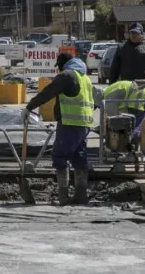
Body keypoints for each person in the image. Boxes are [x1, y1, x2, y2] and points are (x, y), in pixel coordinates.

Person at [23, 52, 96, 205]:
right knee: (79, 158)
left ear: (63, 64)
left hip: (70, 122)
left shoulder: (67, 75)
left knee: (60, 156)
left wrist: (29, 107)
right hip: (85, 124)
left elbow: (48, 92)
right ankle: (80, 195)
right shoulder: (84, 77)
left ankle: (63, 197)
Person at [101, 79, 145, 148]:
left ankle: (132, 149)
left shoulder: (107, 98)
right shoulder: (109, 89)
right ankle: (137, 148)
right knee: (140, 125)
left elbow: (114, 118)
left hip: (140, 99)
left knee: (135, 127)